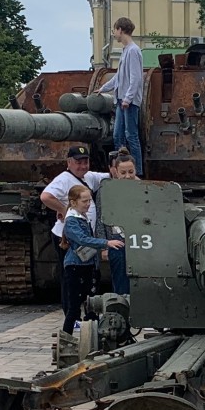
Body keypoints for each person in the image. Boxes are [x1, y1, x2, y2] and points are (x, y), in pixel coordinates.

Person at [40, 146, 111, 308]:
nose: (83, 166)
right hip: (69, 238)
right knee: (70, 279)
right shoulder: (64, 179)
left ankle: (86, 311)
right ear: (69, 162)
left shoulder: (89, 177)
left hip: (84, 237)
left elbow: (111, 176)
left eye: (85, 162)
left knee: (86, 277)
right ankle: (71, 312)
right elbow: (46, 196)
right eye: (78, 162)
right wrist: (64, 210)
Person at [60, 185, 124, 336]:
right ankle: (66, 336)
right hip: (76, 266)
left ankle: (93, 334)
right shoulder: (72, 221)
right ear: (73, 202)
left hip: (88, 265)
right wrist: (105, 243)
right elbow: (82, 239)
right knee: (75, 305)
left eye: (89, 200)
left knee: (92, 303)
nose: (88, 204)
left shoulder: (82, 216)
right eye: (84, 201)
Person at [97, 17, 144, 174]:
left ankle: (136, 171)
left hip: (127, 101)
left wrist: (128, 98)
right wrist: (103, 88)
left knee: (131, 136)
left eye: (114, 30)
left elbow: (136, 78)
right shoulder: (126, 51)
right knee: (118, 136)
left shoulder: (133, 51)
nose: (114, 34)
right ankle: (120, 170)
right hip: (121, 99)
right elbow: (119, 77)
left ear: (120, 30)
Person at [96, 147, 137, 295]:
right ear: (115, 172)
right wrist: (103, 245)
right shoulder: (106, 190)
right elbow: (100, 217)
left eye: (131, 172)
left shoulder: (141, 189)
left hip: (138, 240)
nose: (127, 176)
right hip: (116, 241)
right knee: (120, 281)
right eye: (123, 172)